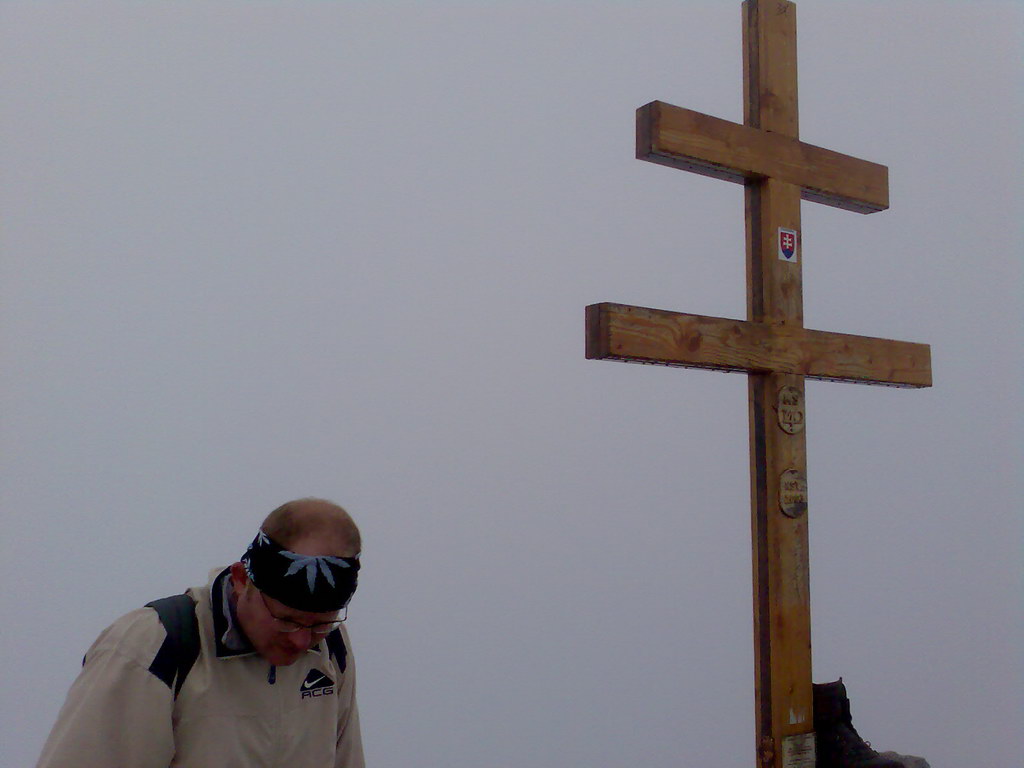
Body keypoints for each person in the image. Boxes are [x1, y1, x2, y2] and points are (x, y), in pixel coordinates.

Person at [36, 498, 365, 768]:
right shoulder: (151, 647)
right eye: (286, 620)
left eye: (320, 623)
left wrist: (317, 629)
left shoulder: (332, 649)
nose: (301, 640)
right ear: (241, 579)